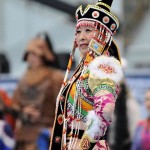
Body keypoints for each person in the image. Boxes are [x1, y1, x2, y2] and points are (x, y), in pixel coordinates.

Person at [49, 0, 123, 149]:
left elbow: (106, 109)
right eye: (78, 31)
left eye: (88, 30)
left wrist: (84, 145)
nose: (81, 37)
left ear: (102, 35)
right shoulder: (85, 67)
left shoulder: (101, 65)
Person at [12, 33, 64, 150]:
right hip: (25, 134)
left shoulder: (55, 77)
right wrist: (23, 110)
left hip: (47, 132)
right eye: (29, 54)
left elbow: (64, 106)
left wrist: (57, 128)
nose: (31, 58)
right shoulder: (24, 78)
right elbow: (14, 103)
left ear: (43, 56)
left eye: (35, 54)